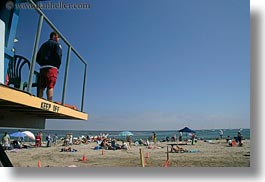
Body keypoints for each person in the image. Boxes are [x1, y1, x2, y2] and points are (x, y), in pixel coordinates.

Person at [36, 31, 62, 101]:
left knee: (41, 87)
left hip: (42, 68)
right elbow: (58, 56)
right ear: (54, 36)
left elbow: (37, 57)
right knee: (50, 86)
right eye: (58, 37)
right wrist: (57, 65)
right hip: (52, 68)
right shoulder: (56, 45)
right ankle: (49, 101)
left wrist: (42, 63)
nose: (59, 39)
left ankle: (39, 100)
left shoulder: (43, 45)